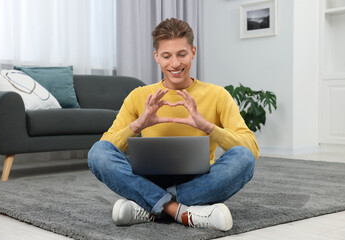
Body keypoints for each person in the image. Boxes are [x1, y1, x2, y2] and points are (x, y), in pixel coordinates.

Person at [88, 18, 259, 232]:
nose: (175, 64)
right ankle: (180, 210)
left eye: (182, 54)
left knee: (243, 160)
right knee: (97, 153)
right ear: (156, 57)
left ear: (193, 52)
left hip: (200, 180)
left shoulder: (217, 95)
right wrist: (138, 125)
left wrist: (208, 127)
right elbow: (106, 149)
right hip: (149, 178)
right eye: (167, 56)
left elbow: (251, 149)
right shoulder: (139, 96)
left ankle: (150, 206)